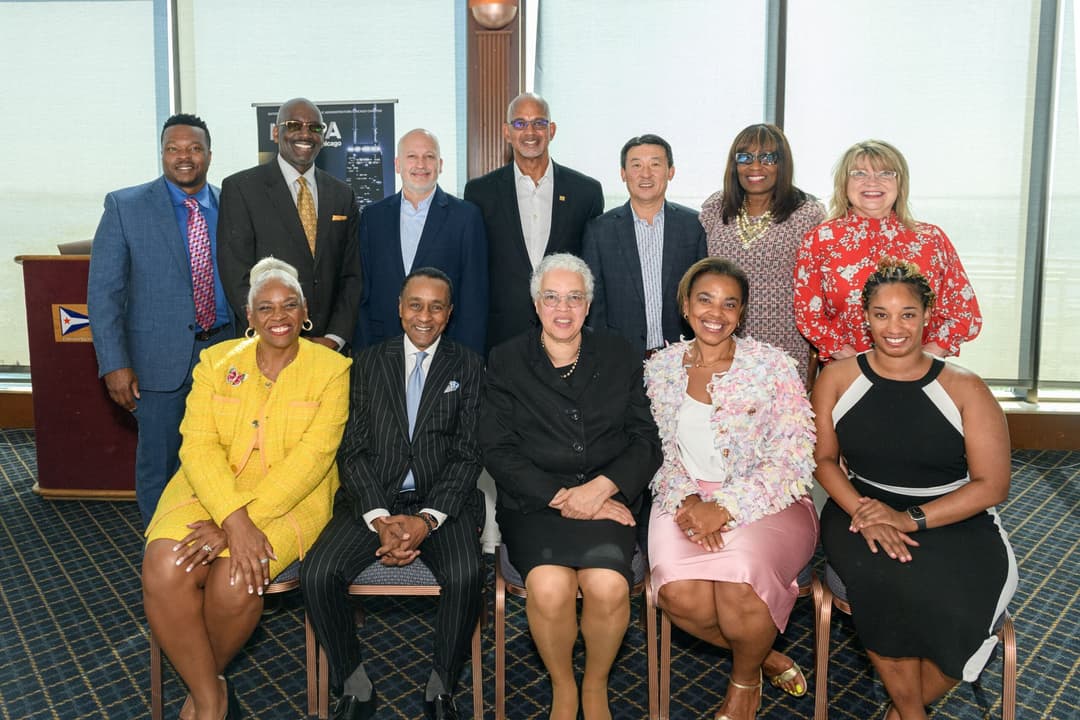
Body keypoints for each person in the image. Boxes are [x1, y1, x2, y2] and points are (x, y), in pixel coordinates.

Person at [141, 257, 351, 720]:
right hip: (206, 489)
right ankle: (212, 697)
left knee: (238, 579)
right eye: (266, 307)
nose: (279, 317)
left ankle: (199, 696)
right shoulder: (216, 361)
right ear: (249, 316)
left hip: (289, 500)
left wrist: (241, 524)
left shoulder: (333, 370)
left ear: (305, 311)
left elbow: (312, 461)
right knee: (164, 564)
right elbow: (197, 446)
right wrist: (230, 518)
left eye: (289, 305)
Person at [812, 258, 1017, 720]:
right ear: (866, 317)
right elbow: (824, 460)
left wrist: (909, 519)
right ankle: (912, 714)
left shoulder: (966, 387)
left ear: (928, 315)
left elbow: (992, 485)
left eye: (907, 313)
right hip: (857, 505)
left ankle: (903, 710)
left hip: (953, 513)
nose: (895, 327)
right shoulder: (837, 378)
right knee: (883, 580)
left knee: (967, 601)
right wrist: (863, 511)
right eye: (882, 314)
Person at [480, 253, 661, 720]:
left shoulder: (619, 354)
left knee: (607, 586)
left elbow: (645, 440)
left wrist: (600, 489)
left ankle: (596, 685)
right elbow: (498, 451)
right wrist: (566, 498)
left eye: (574, 297)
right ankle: (563, 685)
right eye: (552, 297)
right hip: (535, 505)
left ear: (588, 304)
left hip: (607, 498)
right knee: (550, 589)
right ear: (535, 304)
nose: (563, 309)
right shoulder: (505, 359)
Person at [302, 268, 485, 720]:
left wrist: (426, 520)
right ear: (400, 309)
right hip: (372, 499)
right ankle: (353, 682)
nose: (425, 316)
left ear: (449, 314)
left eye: (436, 306)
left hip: (443, 501)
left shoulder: (468, 365)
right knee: (317, 574)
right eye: (416, 305)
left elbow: (468, 455)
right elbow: (353, 450)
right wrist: (381, 518)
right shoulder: (366, 362)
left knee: (466, 574)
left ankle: (442, 684)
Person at [644, 258, 818, 720]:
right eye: (704, 299)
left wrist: (725, 506)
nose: (715, 312)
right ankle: (762, 656)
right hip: (680, 495)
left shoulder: (774, 365)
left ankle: (743, 686)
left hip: (769, 499)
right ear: (685, 306)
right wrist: (688, 500)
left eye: (729, 304)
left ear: (741, 314)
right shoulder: (659, 369)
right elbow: (654, 452)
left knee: (739, 583)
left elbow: (793, 459)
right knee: (680, 594)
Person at [88, 113, 234, 527]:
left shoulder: (233, 206)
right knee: (160, 462)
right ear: (162, 153)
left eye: (194, 148)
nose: (183, 157)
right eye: (174, 148)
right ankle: (162, 551)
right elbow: (104, 294)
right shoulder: (125, 206)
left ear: (208, 154)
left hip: (225, 354)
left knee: (222, 458)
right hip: (155, 363)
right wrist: (114, 364)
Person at [794, 139, 982, 365]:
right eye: (859, 173)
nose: (872, 181)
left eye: (885, 173)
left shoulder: (931, 239)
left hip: (923, 371)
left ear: (900, 184)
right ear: (844, 183)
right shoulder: (819, 240)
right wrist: (859, 364)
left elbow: (963, 313)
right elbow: (809, 317)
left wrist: (924, 359)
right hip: (847, 371)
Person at [218, 97, 361, 353]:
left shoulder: (342, 194)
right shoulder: (241, 188)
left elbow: (352, 275)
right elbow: (235, 275)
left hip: (328, 351)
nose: (305, 133)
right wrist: (278, 334)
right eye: (294, 125)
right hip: (268, 347)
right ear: (275, 132)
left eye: (315, 128)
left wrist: (334, 338)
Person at [464, 92, 604, 351]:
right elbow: (474, 271)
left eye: (539, 123)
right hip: (502, 336)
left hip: (567, 333)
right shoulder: (480, 193)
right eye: (520, 123)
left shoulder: (586, 192)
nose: (530, 131)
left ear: (551, 130)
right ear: (507, 132)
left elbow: (592, 271)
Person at [699, 124, 824, 383]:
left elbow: (818, 288)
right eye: (745, 158)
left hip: (785, 346)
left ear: (783, 164)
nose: (755, 167)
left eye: (768, 157)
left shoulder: (807, 214)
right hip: (723, 339)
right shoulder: (716, 208)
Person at [354, 129, 488, 355]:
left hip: (446, 350)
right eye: (412, 157)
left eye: (429, 156)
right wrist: (365, 353)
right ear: (397, 164)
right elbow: (363, 291)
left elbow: (474, 297)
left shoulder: (466, 217)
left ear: (440, 164)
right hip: (382, 349)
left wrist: (468, 360)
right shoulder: (372, 217)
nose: (421, 164)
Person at [582, 133, 706, 359]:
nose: (646, 174)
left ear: (671, 172)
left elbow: (701, 294)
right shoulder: (600, 230)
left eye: (655, 164)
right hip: (619, 358)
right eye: (636, 165)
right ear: (623, 174)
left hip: (681, 356)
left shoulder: (693, 226)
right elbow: (594, 302)